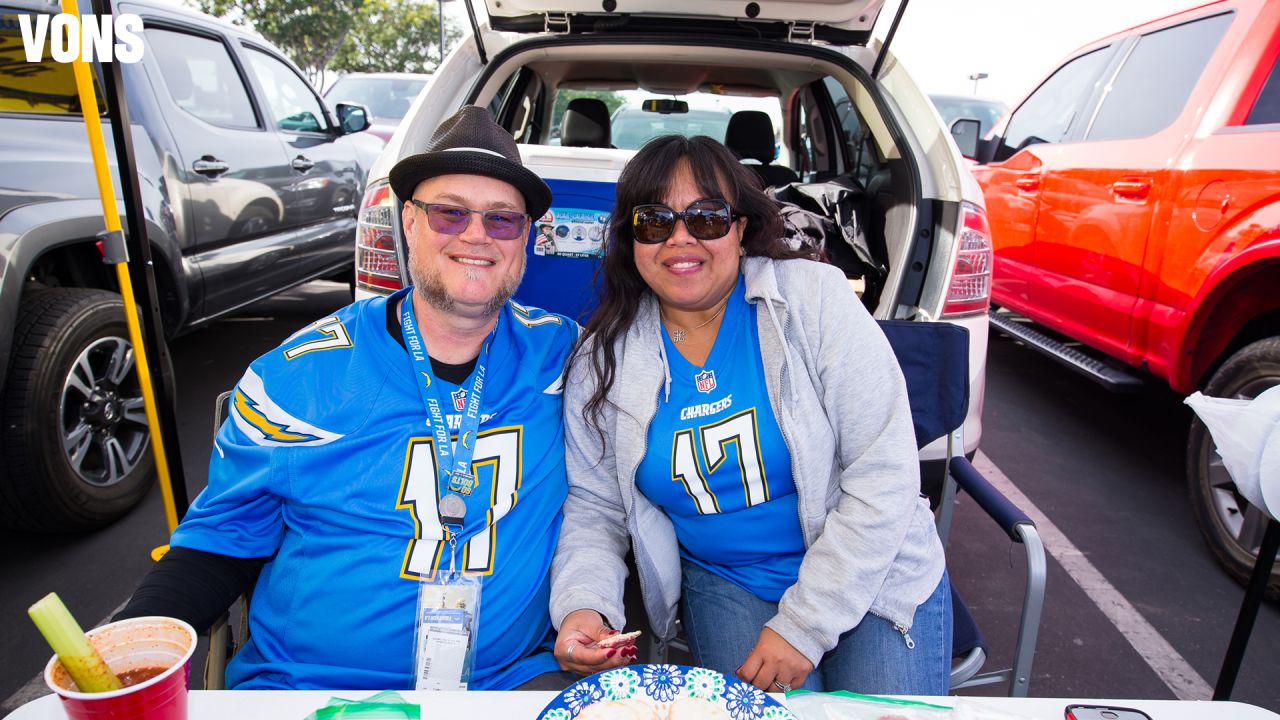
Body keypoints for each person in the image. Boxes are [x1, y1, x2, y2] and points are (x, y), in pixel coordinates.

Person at [116, 106, 592, 691]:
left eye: (502, 220)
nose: (476, 235)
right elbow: (221, 544)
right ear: (408, 223)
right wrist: (132, 645)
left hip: (507, 686)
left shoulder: (567, 359)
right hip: (309, 689)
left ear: (527, 240)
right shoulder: (299, 379)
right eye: (449, 213)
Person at [549, 135, 952, 694]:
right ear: (630, 239)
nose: (680, 239)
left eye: (708, 218)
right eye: (654, 221)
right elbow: (596, 509)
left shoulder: (815, 300)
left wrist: (803, 627)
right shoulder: (604, 360)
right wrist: (585, 608)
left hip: (871, 567)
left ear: (740, 228)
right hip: (729, 581)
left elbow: (884, 476)